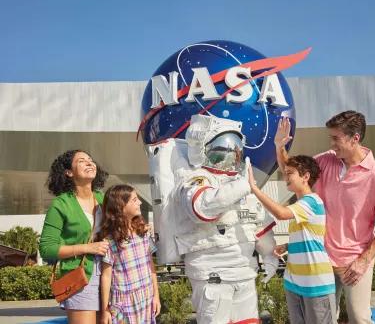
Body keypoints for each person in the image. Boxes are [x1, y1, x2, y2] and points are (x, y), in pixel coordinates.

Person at [145, 114, 279, 324]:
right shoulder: (193, 179)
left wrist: (270, 254)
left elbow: (257, 220)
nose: (231, 155)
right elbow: (202, 208)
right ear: (202, 148)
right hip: (213, 274)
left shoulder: (241, 181)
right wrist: (244, 185)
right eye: (223, 149)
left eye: (234, 149)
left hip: (244, 271)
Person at [275, 112, 375, 324]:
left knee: (359, 318)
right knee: (327, 319)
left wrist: (363, 260)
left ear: (355, 138)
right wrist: (279, 147)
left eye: (336, 138)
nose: (331, 144)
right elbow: (293, 171)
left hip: (354, 261)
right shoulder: (325, 161)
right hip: (322, 258)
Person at [248, 154, 336, 324]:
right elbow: (309, 235)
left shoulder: (311, 202)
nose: (285, 177)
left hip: (316, 284)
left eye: (290, 173)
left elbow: (281, 214)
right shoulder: (300, 205)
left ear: (306, 177)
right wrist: (288, 245)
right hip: (294, 283)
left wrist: (255, 188)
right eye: (285, 173)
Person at [39, 149, 110, 324]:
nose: (89, 163)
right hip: (81, 276)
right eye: (81, 161)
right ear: (69, 172)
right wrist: (87, 248)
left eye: (90, 160)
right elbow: (47, 249)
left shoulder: (104, 199)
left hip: (111, 271)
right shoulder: (60, 204)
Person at [97, 184, 160, 324]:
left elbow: (151, 266)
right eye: (134, 200)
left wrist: (156, 295)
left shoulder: (143, 232)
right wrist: (105, 309)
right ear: (121, 206)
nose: (140, 202)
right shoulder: (110, 241)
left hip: (146, 296)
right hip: (123, 303)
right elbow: (106, 276)